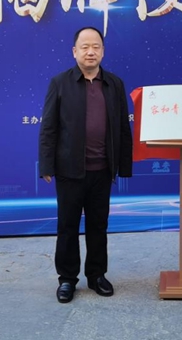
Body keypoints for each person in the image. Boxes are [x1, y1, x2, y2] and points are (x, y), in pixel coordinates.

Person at [38, 27, 133, 303]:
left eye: (96, 47)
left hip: (102, 170)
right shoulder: (60, 83)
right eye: (85, 47)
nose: (91, 52)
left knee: (98, 226)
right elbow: (49, 128)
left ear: (103, 51)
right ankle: (67, 279)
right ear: (74, 51)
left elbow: (122, 127)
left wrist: (124, 165)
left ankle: (96, 275)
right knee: (67, 227)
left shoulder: (114, 84)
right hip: (69, 170)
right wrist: (46, 165)